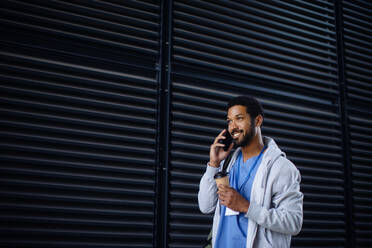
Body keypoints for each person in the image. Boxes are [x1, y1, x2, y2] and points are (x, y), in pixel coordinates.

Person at [198, 95, 303, 248]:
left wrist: (247, 207)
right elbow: (205, 206)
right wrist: (213, 164)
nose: (232, 127)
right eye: (229, 121)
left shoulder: (281, 168)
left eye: (239, 118)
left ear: (258, 120)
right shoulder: (227, 163)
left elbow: (293, 222)